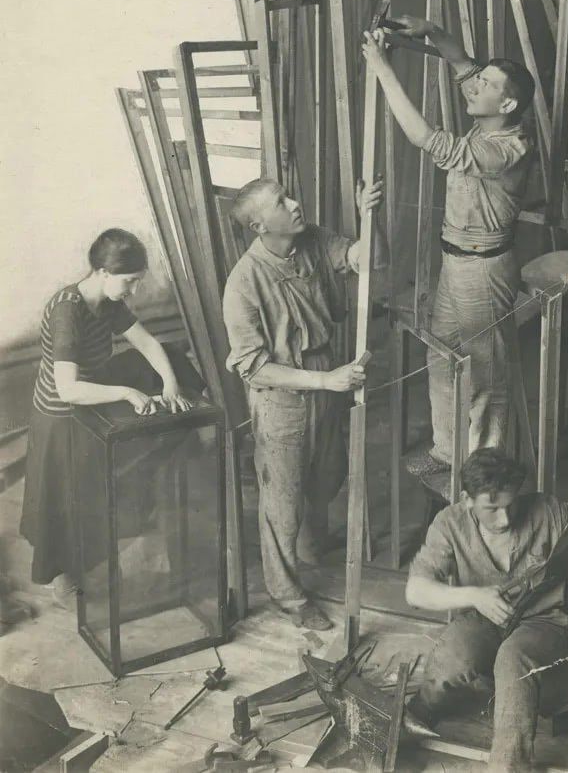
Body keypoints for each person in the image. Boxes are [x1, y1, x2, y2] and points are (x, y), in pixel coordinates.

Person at [362, 18, 536, 489]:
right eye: (478, 80)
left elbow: (426, 139)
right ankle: (446, 449)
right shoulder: (490, 112)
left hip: (486, 271)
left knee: (484, 375)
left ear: (508, 103)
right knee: (441, 357)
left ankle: (485, 475)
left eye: (485, 84)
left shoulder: (509, 146)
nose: (473, 85)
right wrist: (430, 30)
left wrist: (382, 69)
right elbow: (460, 62)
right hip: (455, 262)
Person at [223, 177, 385, 630]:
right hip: (282, 398)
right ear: (259, 225)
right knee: (282, 502)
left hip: (324, 382)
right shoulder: (243, 284)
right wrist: (325, 381)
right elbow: (254, 369)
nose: (295, 203)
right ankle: (288, 595)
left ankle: (310, 548)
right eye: (281, 202)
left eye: (290, 194)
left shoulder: (310, 239)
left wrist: (369, 216)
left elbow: (370, 260)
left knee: (325, 473)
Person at [405, 448, 568, 772]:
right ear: (466, 499)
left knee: (513, 658)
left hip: (547, 620)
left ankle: (509, 765)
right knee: (453, 659)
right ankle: (420, 711)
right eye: (491, 509)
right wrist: (476, 596)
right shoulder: (449, 523)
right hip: (485, 615)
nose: (504, 519)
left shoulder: (548, 511)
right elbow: (415, 591)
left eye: (510, 505)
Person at [19, 228, 204, 607]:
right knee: (67, 499)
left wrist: (170, 385)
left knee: (167, 359)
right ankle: (65, 578)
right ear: (103, 272)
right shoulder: (68, 310)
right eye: (130, 281)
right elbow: (69, 389)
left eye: (138, 281)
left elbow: (149, 343)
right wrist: (126, 392)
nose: (134, 290)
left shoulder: (107, 302)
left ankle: (104, 552)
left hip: (90, 401)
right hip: (61, 417)